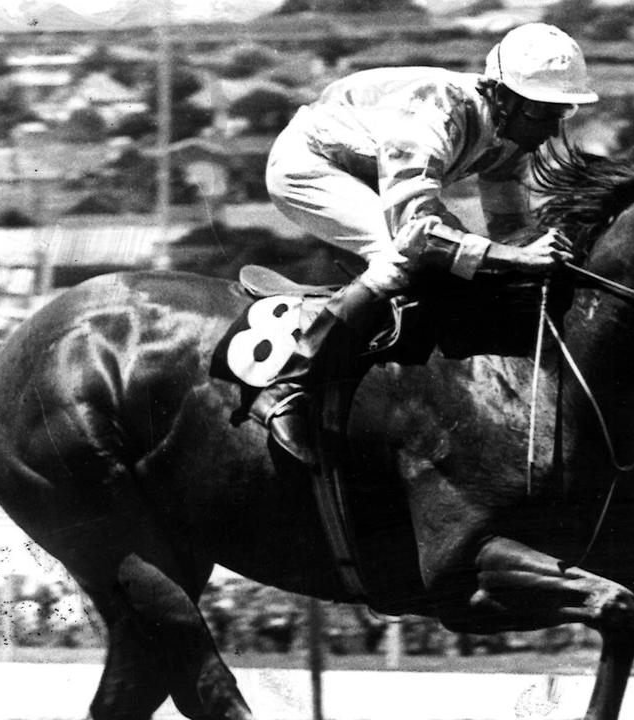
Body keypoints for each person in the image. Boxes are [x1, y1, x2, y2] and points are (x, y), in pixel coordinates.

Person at [254, 22, 599, 465]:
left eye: (561, 112)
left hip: (381, 177)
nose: (551, 131)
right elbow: (415, 231)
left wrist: (530, 257)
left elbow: (509, 225)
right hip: (311, 167)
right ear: (501, 95)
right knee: (403, 259)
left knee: (466, 264)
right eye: (542, 113)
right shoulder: (435, 111)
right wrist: (515, 256)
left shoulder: (512, 134)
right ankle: (288, 387)